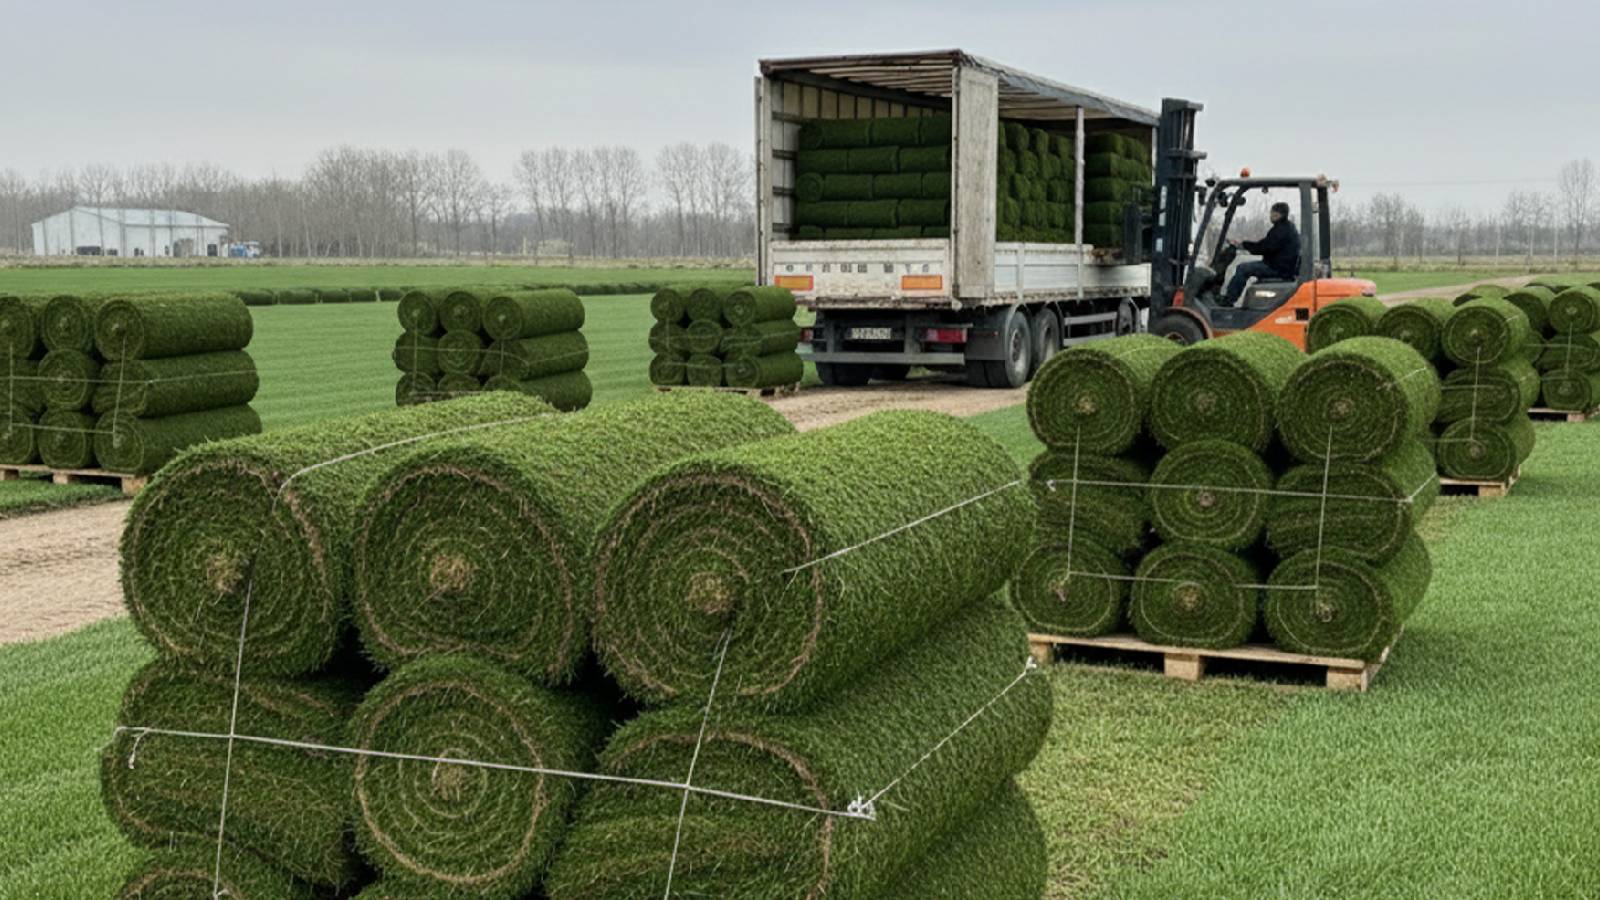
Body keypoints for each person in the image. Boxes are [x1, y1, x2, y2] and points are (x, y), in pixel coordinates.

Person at [1222, 201, 1301, 306]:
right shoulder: (1286, 228)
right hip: (1282, 266)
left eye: (1271, 213)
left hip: (1278, 268)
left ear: (1277, 214)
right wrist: (1243, 244)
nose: (1270, 216)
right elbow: (1265, 244)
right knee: (1246, 265)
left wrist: (1244, 245)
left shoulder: (1281, 230)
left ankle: (1228, 301)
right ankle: (1230, 298)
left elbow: (1265, 247)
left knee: (1242, 268)